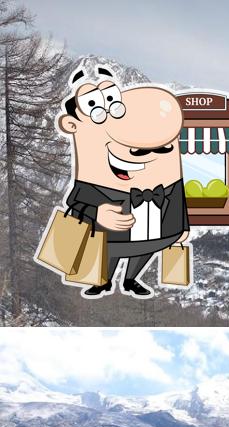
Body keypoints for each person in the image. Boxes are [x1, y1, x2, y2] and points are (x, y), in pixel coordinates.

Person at [52, 65, 190, 299]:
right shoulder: (93, 182)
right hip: (112, 235)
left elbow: (176, 198)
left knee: (144, 250)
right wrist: (97, 213)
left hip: (152, 231)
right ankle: (103, 281)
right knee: (111, 251)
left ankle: (131, 278)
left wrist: (182, 227)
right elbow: (76, 201)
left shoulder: (167, 183)